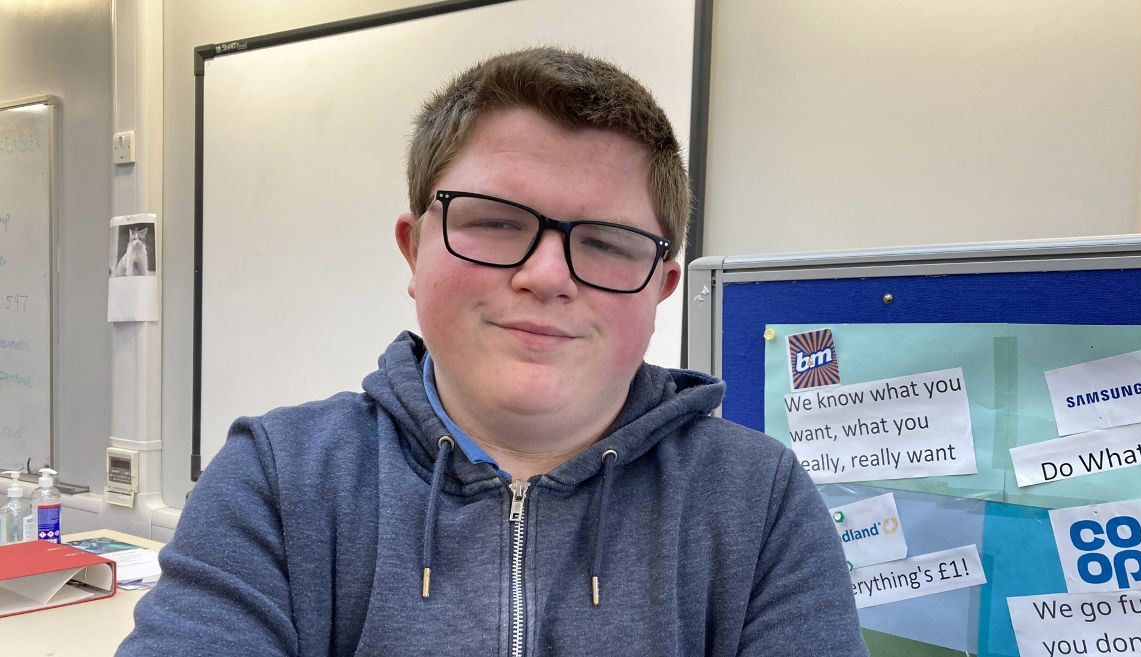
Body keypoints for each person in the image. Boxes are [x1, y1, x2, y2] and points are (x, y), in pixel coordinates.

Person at [117, 47, 866, 656]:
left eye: (605, 241)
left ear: (661, 287)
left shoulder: (758, 502)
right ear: (415, 251)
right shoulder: (280, 478)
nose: (545, 276)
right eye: (496, 222)